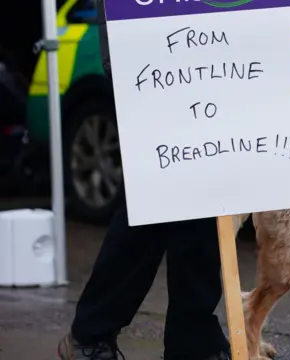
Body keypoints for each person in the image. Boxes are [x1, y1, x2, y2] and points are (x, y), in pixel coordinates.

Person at [56, 1, 231, 359]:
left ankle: (96, 333)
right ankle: (185, 338)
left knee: (178, 191)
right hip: (148, 38)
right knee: (169, 188)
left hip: (204, 40)